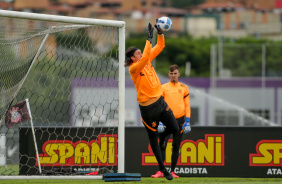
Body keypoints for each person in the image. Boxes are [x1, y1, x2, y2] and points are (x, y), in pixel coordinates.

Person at [124, 23, 179, 180]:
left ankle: (164, 139)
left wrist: (159, 33)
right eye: (138, 53)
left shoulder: (146, 60)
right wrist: (148, 39)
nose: (141, 54)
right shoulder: (134, 68)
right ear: (133, 58)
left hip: (160, 103)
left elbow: (160, 46)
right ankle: (163, 169)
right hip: (148, 109)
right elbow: (146, 56)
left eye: (141, 52)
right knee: (152, 138)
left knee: (175, 128)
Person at [151, 64, 191, 178]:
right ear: (169, 74)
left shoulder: (184, 87)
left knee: (176, 146)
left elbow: (187, 105)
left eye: (175, 73)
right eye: (171, 73)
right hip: (166, 120)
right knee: (162, 145)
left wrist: (187, 121)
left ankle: (173, 171)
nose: (173, 75)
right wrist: (161, 121)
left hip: (180, 120)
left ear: (178, 74)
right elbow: (160, 106)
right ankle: (161, 171)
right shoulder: (163, 87)